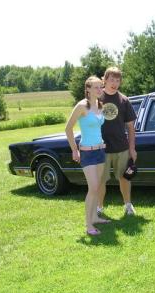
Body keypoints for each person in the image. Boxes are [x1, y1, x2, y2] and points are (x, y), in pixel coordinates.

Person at [65, 76, 110, 236]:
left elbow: (98, 128)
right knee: (92, 188)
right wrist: (74, 150)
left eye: (101, 87)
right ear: (88, 89)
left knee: (97, 187)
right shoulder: (81, 106)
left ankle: (95, 217)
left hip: (100, 151)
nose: (100, 90)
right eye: (96, 87)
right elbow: (68, 128)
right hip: (87, 152)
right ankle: (88, 225)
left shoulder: (100, 105)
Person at [97, 67, 137, 215]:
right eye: (112, 79)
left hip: (122, 148)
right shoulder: (97, 99)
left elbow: (131, 127)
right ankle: (99, 208)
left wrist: (132, 148)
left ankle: (128, 205)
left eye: (118, 80)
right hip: (101, 148)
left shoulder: (124, 100)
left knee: (125, 178)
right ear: (105, 80)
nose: (115, 83)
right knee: (101, 181)